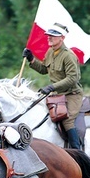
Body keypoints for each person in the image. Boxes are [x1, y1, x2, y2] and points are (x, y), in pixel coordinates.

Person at [22, 22, 83, 150]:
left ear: (62, 38)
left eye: (53, 35)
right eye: (49, 35)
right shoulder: (50, 51)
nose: (49, 37)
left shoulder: (69, 55)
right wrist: (31, 59)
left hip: (72, 95)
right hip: (57, 95)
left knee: (67, 120)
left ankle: (77, 151)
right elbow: (44, 69)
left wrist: (51, 87)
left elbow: (73, 78)